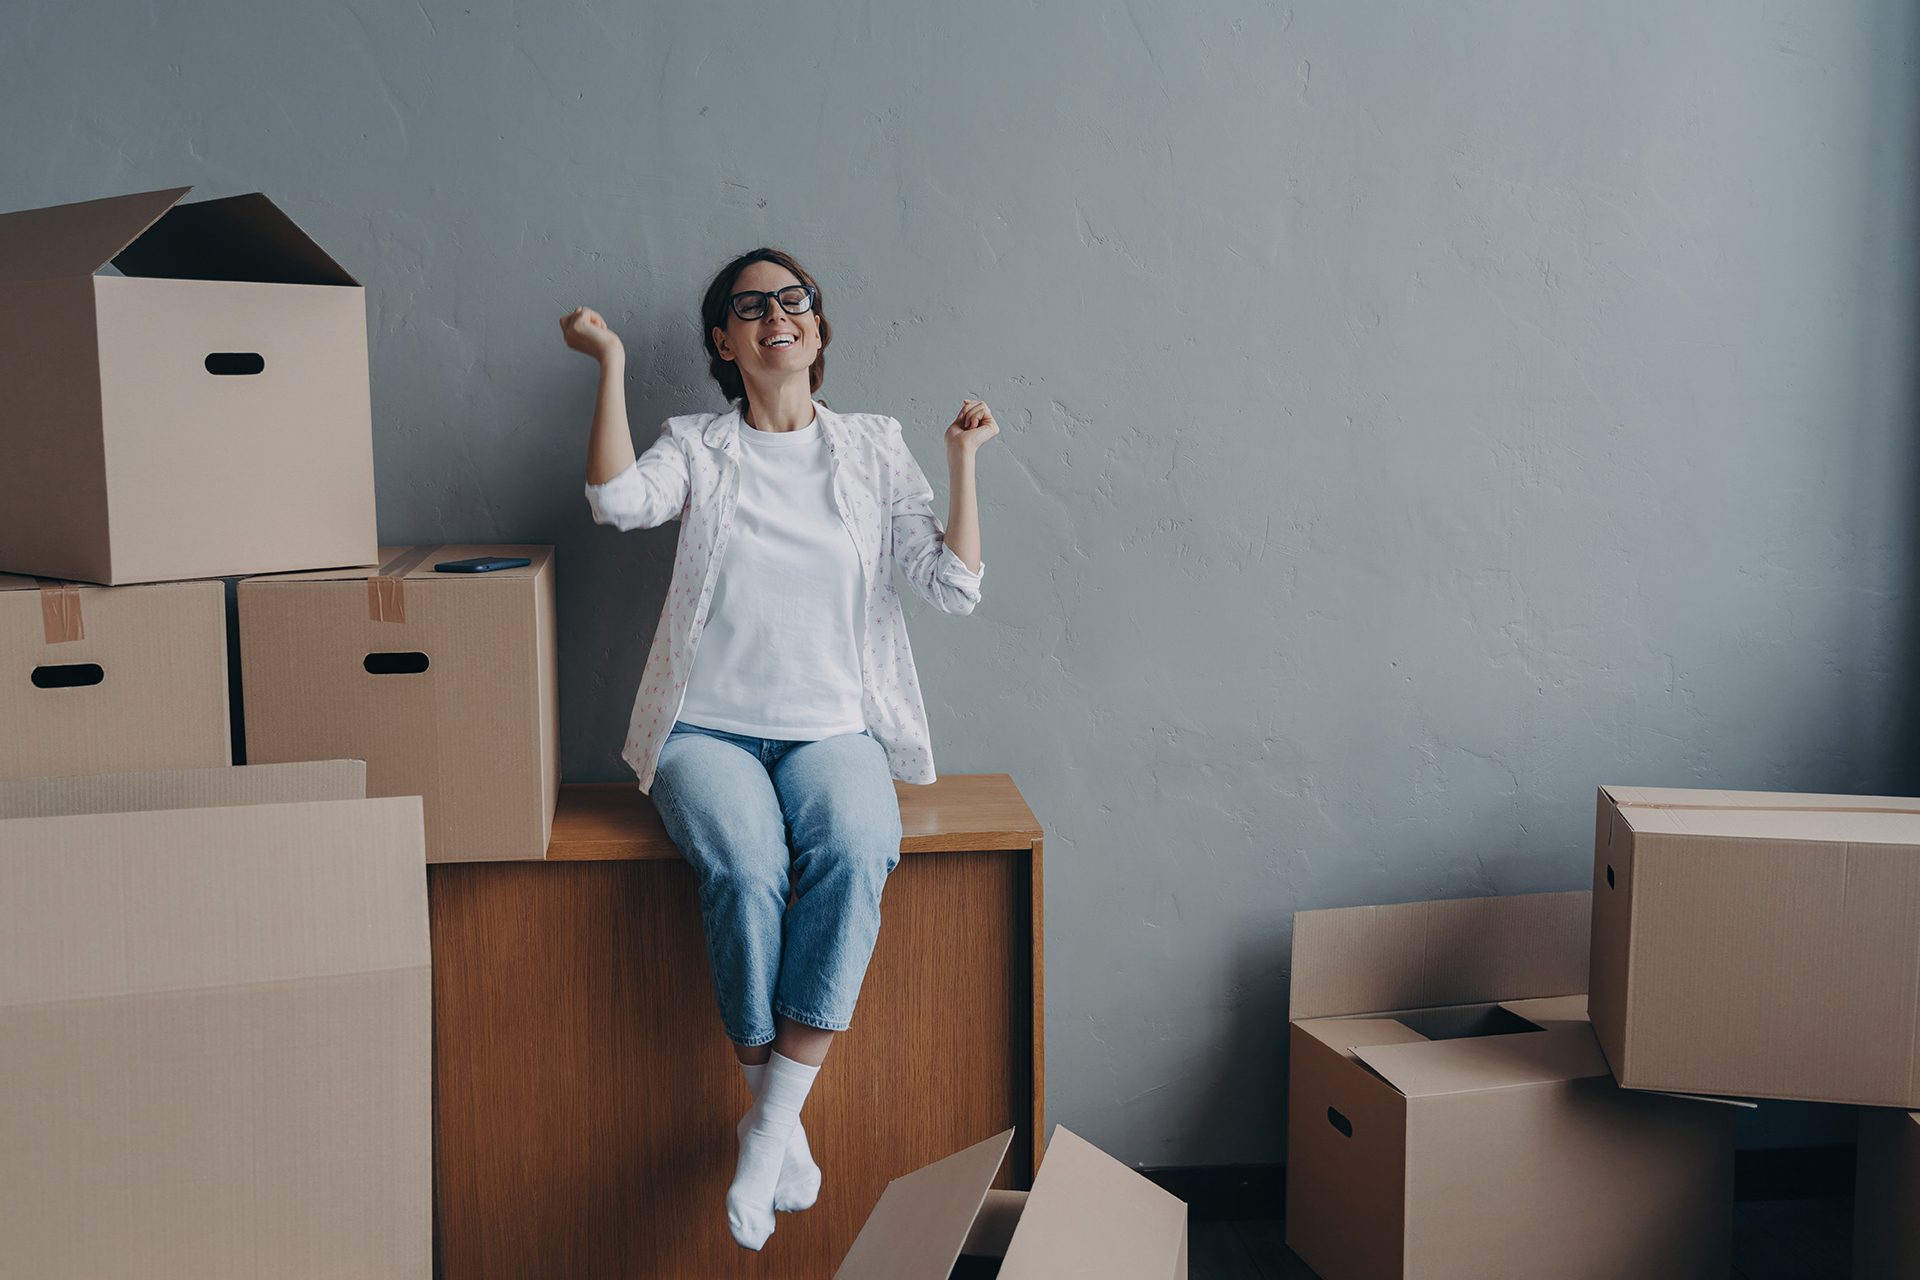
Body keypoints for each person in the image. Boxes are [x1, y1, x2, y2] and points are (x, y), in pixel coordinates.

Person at [558, 248, 998, 1251]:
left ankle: (766, 1126)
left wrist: (963, 463)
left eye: (792, 300)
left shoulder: (875, 446)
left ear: (818, 327)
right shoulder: (697, 445)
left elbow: (953, 585)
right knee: (745, 866)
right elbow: (617, 501)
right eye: (750, 306)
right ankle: (775, 1120)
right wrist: (611, 364)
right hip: (704, 729)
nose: (775, 315)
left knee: (857, 847)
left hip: (832, 728)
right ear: (724, 340)